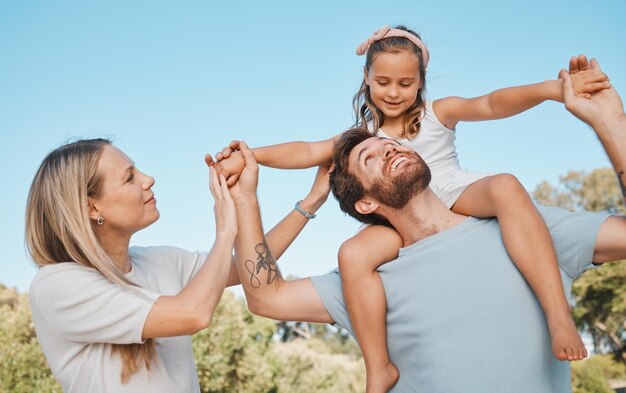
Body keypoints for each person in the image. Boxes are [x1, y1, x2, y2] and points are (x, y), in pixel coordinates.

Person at [214, 26, 610, 391]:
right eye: (383, 82)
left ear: (421, 82)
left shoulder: (437, 114)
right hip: (395, 217)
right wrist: (252, 155)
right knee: (353, 253)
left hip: (454, 193)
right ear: (366, 78)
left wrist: (550, 90)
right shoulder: (362, 139)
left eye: (406, 83)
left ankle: (558, 315)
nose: (393, 92)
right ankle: (378, 366)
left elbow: (491, 103)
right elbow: (305, 150)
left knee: (506, 186)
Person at [25, 139, 330, 392]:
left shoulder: (158, 261)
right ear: (92, 207)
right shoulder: (57, 285)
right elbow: (192, 314)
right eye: (130, 177)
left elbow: (252, 266)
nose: (148, 179)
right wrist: (226, 231)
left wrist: (308, 201)